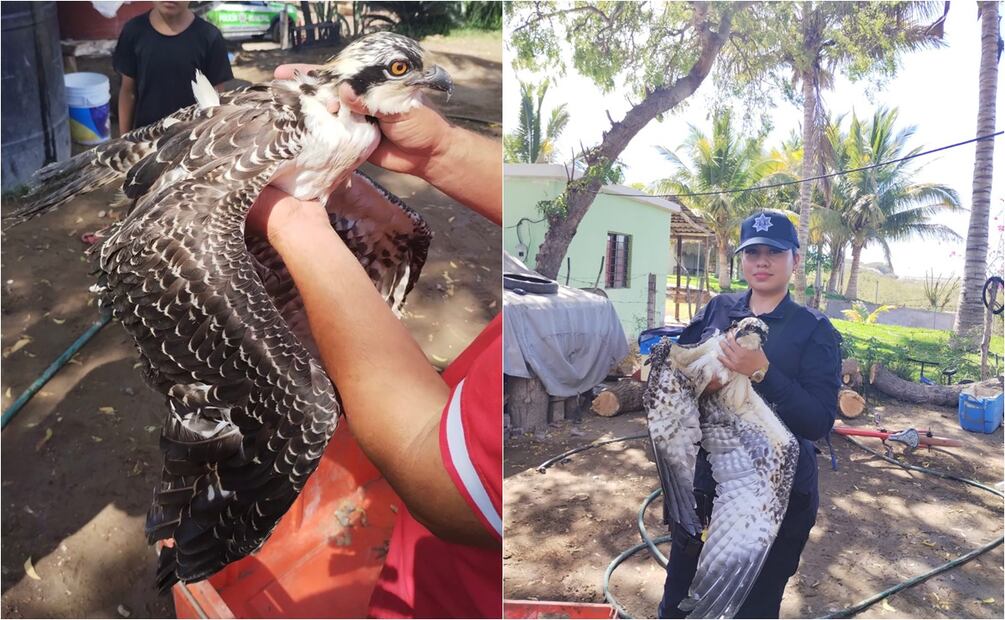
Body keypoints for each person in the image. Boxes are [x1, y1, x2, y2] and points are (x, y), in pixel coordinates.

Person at [247, 70, 503, 619]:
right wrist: (441, 149)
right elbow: (568, 217)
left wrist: (293, 220)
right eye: (399, 71)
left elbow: (445, 483)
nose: (431, 79)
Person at [658, 210, 841, 619]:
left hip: (778, 494)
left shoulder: (813, 329)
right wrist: (701, 385)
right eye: (752, 252)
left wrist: (761, 372)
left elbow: (817, 421)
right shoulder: (717, 310)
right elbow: (677, 384)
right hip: (709, 482)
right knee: (679, 600)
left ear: (795, 260)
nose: (762, 262)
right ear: (741, 259)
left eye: (774, 252)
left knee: (752, 604)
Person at [113, 1, 234, 134]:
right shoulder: (134, 31)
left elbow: (215, 101)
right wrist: (124, 138)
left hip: (191, 137)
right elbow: (128, 92)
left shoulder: (210, 37)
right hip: (145, 138)